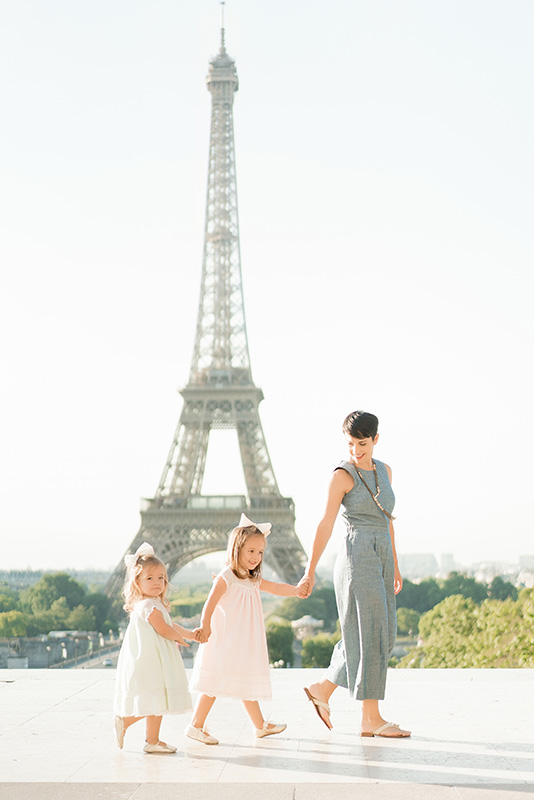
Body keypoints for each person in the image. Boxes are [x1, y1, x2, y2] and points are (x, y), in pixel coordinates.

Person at [298, 410, 411, 738]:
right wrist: (309, 571)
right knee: (372, 633)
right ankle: (370, 718)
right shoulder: (342, 476)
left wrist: (396, 564)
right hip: (356, 556)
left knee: (383, 634)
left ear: (376, 439)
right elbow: (325, 523)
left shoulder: (385, 471)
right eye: (350, 444)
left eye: (362, 443)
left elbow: (387, 519)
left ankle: (322, 688)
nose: (356, 450)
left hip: (382, 555)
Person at [186, 513, 306, 745]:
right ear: (236, 549)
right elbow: (209, 603)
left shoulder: (252, 579)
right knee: (215, 682)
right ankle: (195, 725)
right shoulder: (226, 576)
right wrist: (205, 626)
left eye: (260, 552)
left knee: (244, 680)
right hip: (226, 638)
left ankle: (259, 725)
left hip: (242, 638)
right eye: (251, 551)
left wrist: (295, 590)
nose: (256, 557)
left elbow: (275, 587)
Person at [113, 542, 196, 754]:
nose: (157, 582)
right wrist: (181, 639)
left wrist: (189, 633)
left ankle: (152, 740)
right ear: (137, 582)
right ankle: (126, 721)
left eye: (160, 577)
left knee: (157, 699)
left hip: (152, 658)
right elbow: (164, 629)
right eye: (149, 578)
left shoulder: (150, 603)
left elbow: (169, 625)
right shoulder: (148, 606)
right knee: (156, 700)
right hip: (153, 660)